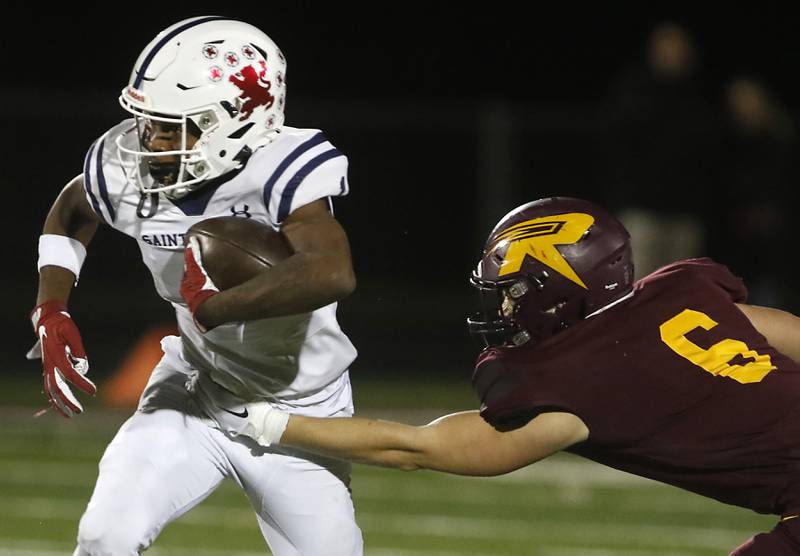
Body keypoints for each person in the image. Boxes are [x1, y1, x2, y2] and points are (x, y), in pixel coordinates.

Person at [209, 197, 800, 555]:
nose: (507, 309)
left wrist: (266, 420)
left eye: (516, 291)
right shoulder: (685, 295)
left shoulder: (578, 385)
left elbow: (414, 447)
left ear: (559, 288)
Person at [29, 16, 363, 556]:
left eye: (174, 126)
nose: (151, 141)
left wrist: (213, 307)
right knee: (104, 536)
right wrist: (51, 308)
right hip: (195, 389)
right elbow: (73, 209)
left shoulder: (282, 167)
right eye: (149, 123)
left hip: (303, 413)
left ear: (242, 119)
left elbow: (331, 272)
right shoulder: (127, 167)